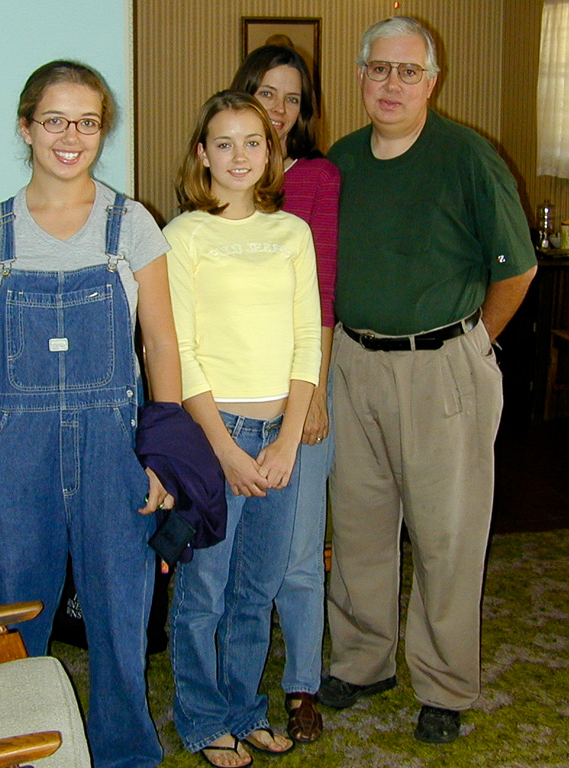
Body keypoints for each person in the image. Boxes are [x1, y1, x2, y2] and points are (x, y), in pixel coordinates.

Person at [317, 17, 538, 746]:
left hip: (443, 367)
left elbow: (518, 270)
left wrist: (470, 346)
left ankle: (444, 684)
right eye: (379, 69)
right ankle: (362, 660)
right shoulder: (340, 161)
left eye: (408, 72)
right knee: (358, 527)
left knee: (447, 536)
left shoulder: (469, 157)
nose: (391, 85)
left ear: (432, 82)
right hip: (353, 364)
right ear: (360, 76)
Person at [0, 60, 180, 768]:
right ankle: (17, 747)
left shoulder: (132, 225)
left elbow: (161, 342)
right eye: (55, 119)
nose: (70, 135)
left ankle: (122, 751)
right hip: (18, 447)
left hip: (114, 447)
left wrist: (164, 452)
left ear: (101, 130)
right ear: (27, 127)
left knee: (120, 614)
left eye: (87, 122)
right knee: (16, 613)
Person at [164, 90, 321, 768]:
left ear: (271, 151)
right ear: (203, 153)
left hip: (279, 432)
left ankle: (242, 709)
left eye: (252, 142)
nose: (238, 156)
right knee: (203, 591)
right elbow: (182, 352)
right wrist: (225, 449)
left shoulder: (292, 233)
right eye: (223, 143)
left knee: (257, 590)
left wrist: (287, 439)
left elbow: (306, 339)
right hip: (212, 435)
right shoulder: (183, 236)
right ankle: (200, 719)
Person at [230, 45, 339, 743]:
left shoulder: (317, 178)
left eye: (293, 98)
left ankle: (302, 684)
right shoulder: (223, 175)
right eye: (267, 93)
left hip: (302, 385)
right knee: (234, 555)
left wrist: (319, 391)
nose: (279, 109)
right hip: (233, 399)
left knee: (299, 549)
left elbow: (323, 294)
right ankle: (228, 685)